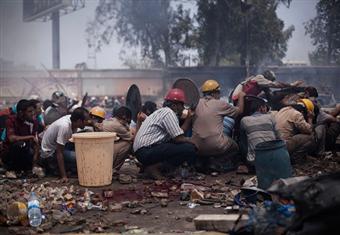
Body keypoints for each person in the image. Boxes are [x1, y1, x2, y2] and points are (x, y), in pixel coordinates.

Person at [133, 88, 197, 179]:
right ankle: (154, 168)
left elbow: (179, 133)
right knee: (189, 148)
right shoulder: (168, 113)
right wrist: (193, 141)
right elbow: (178, 138)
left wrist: (189, 118)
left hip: (142, 151)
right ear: (175, 105)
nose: (183, 108)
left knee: (180, 145)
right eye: (182, 105)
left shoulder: (162, 112)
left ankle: (150, 166)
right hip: (146, 151)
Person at [191, 80, 246, 172]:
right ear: (214, 93)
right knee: (235, 147)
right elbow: (239, 111)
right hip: (216, 146)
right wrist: (241, 97)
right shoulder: (221, 104)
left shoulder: (195, 103)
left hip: (196, 147)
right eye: (218, 92)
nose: (219, 95)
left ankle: (202, 161)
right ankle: (217, 162)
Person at [40, 107, 89, 182]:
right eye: (86, 120)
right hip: (51, 153)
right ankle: (60, 170)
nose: (87, 122)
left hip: (62, 145)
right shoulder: (65, 127)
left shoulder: (72, 119)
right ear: (79, 121)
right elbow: (59, 153)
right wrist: (64, 176)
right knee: (80, 158)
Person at [239, 97, 280, 170]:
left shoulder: (244, 120)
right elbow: (279, 138)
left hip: (254, 162)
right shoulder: (270, 117)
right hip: (273, 160)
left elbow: (243, 143)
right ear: (261, 108)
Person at [2, 99, 40, 173]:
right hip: (10, 153)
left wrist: (34, 163)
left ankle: (26, 168)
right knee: (21, 144)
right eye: (29, 111)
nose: (33, 113)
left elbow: (36, 143)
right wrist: (30, 137)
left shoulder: (34, 122)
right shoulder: (11, 120)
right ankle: (11, 169)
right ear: (21, 113)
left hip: (26, 151)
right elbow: (11, 138)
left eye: (33, 111)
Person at [95, 106, 133, 171]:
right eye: (128, 121)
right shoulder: (118, 126)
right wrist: (139, 123)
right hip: (102, 154)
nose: (128, 123)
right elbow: (132, 138)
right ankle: (113, 169)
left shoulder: (112, 121)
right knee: (127, 144)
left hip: (99, 151)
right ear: (124, 117)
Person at [231, 70, 303, 104]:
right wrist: (291, 85)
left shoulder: (263, 85)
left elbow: (271, 97)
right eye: (271, 80)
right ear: (267, 77)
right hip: (238, 99)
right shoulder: (260, 78)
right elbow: (275, 84)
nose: (271, 82)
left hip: (245, 100)